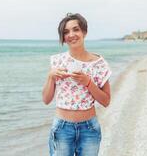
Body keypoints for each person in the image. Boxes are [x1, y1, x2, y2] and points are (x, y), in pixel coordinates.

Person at [42, 13, 112, 156]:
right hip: (62, 128)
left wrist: (87, 82)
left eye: (76, 29)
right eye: (66, 32)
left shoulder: (99, 64)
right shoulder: (57, 61)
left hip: (89, 129)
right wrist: (50, 76)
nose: (71, 34)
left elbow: (106, 101)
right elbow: (46, 100)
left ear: (84, 32)